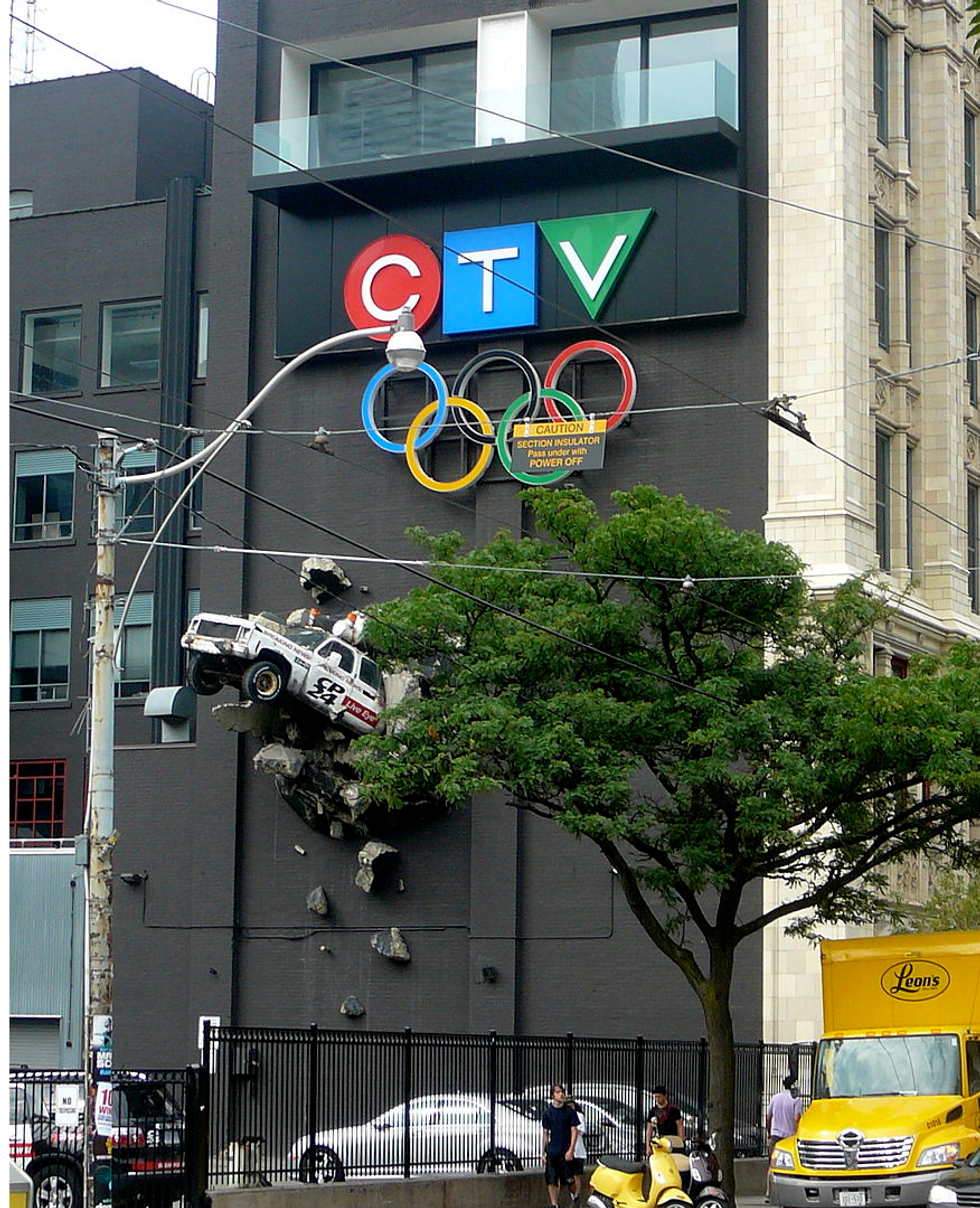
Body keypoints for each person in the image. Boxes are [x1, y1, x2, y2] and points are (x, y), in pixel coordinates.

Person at [766, 1075, 803, 1201]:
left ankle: (768, 1192)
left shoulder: (775, 1098)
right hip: (789, 1137)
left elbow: (769, 1116)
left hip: (775, 1136)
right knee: (791, 1166)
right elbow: (797, 1118)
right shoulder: (796, 1100)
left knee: (772, 1165)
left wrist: (769, 1132)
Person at [542, 1082, 579, 1208]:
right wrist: (543, 1153)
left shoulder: (569, 1112)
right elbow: (545, 1133)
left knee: (569, 1179)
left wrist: (571, 1149)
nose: (561, 1094)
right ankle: (554, 1204)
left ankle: (575, 1195)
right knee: (551, 1179)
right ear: (552, 1095)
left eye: (562, 1091)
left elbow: (574, 1130)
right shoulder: (548, 1113)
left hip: (565, 1150)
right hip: (553, 1150)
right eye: (557, 1092)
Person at [645, 1085, 685, 1153]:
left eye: (659, 1096)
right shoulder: (653, 1111)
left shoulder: (673, 1110)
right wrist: (648, 1145)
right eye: (655, 1097)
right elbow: (649, 1129)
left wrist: (681, 1141)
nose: (657, 1099)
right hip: (660, 1141)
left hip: (673, 1140)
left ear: (665, 1096)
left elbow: (680, 1126)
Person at [566, 1096, 588, 1206]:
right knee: (568, 1175)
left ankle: (577, 1196)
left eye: (571, 1105)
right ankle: (572, 1194)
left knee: (576, 1175)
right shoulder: (563, 1116)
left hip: (578, 1151)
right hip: (566, 1150)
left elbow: (580, 1130)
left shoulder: (579, 1116)